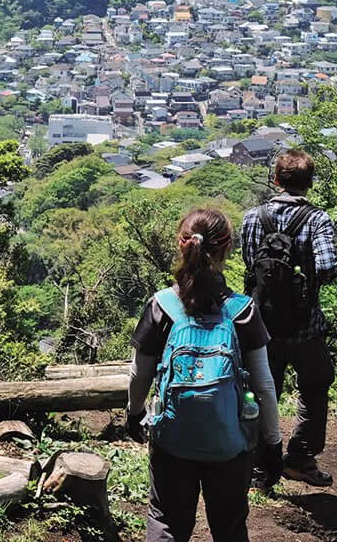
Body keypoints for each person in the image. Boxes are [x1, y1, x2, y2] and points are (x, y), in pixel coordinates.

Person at [127, 208, 283, 542]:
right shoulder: (242, 310)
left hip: (172, 441)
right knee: (229, 527)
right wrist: (272, 443)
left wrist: (134, 413)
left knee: (166, 521)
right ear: (227, 250)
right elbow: (265, 385)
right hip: (231, 444)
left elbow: (139, 373)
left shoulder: (161, 306)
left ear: (180, 245)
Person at [242, 147, 337, 488]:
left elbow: (249, 264)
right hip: (304, 325)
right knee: (315, 384)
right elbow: (327, 269)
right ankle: (299, 457)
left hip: (260, 325)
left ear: (276, 179)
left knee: (260, 392)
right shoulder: (318, 220)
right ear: (309, 183)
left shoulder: (254, 217)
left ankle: (259, 468)